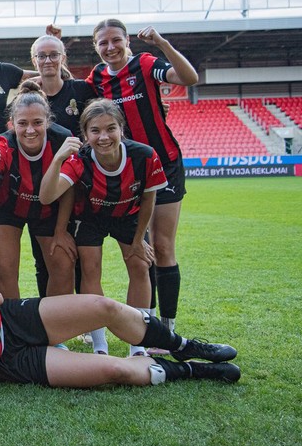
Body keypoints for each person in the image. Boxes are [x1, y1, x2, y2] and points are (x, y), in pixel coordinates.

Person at [0, 245, 239, 406]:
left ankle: (185, 345)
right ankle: (190, 371)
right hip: (0, 366)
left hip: (11, 319)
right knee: (113, 369)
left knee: (101, 306)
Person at [87, 20, 198, 343]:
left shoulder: (146, 65)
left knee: (162, 247)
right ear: (96, 47)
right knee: (141, 249)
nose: (110, 47)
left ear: (126, 42)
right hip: (125, 176)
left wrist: (162, 43)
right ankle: (146, 328)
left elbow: (189, 78)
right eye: (103, 42)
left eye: (115, 40)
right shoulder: (96, 78)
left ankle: (168, 328)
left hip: (164, 164)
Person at [39, 100, 166, 357]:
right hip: (90, 218)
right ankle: (100, 346)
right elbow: (47, 196)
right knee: (90, 269)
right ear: (85, 135)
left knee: (141, 265)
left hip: (129, 216)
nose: (104, 137)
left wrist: (139, 240)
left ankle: (138, 345)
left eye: (111, 129)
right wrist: (59, 159)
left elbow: (149, 199)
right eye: (95, 131)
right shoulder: (79, 159)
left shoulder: (144, 155)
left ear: (122, 129)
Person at [0, 81, 74, 300]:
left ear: (48, 122)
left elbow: (69, 189)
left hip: (48, 209)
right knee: (4, 269)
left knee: (63, 266)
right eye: (22, 123)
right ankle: (12, 330)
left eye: (37, 122)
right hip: (6, 208)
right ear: (12, 124)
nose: (30, 130)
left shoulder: (63, 141)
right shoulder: (5, 145)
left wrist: (61, 230)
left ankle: (52, 331)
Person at [29, 27, 94, 298]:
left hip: (79, 186)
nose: (47, 61)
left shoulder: (81, 90)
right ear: (34, 61)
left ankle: (78, 314)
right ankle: (49, 315)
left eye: (53, 55)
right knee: (44, 258)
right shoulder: (29, 95)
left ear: (63, 57)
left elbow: (101, 123)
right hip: (40, 189)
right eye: (41, 56)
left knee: (77, 252)